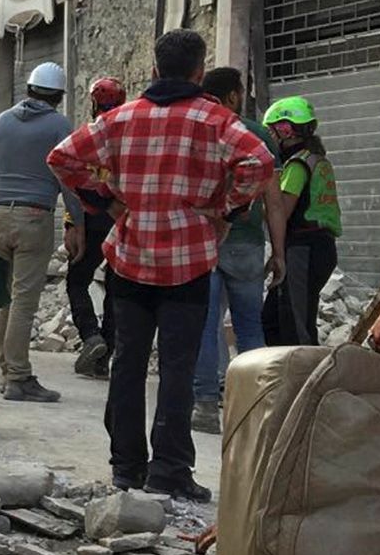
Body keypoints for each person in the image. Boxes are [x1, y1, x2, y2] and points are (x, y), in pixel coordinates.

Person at [47, 29, 273, 502]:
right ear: (198, 71)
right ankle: (170, 468)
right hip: (189, 262)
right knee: (178, 367)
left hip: (129, 259)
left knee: (127, 364)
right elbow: (258, 162)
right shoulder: (215, 119)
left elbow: (63, 158)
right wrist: (226, 209)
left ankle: (126, 467)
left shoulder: (120, 118)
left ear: (153, 70)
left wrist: (104, 201)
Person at [0, 63, 84, 403]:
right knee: (24, 300)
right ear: (58, 95)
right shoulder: (59, 126)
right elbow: (67, 181)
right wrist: (76, 223)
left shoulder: (2, 121)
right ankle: (19, 377)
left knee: (6, 298)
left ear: (29, 88)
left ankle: (8, 371)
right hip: (35, 216)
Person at [190, 67, 274, 434]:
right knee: (249, 325)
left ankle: (206, 405)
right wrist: (280, 251)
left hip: (205, 239)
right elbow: (273, 198)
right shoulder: (256, 134)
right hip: (248, 243)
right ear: (234, 96)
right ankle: (255, 408)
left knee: (206, 324)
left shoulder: (196, 131)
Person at [261, 96, 341, 348]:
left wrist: (257, 200)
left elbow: (281, 210)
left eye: (271, 131)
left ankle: (304, 380)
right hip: (316, 248)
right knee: (273, 317)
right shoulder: (315, 159)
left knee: (295, 325)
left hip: (303, 249)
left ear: (285, 130)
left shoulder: (297, 165)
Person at [67, 77, 127, 377]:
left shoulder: (88, 136)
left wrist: (70, 223)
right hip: (120, 219)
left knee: (77, 280)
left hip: (92, 217)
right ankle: (105, 353)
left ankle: (91, 336)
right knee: (116, 287)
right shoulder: (131, 136)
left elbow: (73, 181)